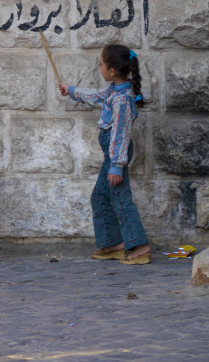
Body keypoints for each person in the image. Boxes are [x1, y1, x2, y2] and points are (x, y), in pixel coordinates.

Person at [59, 44, 151, 264]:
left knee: (121, 197)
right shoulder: (113, 91)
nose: (98, 67)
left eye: (100, 64)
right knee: (100, 196)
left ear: (111, 71)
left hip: (115, 155)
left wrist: (117, 165)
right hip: (112, 155)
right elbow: (95, 95)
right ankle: (112, 244)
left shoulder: (123, 100)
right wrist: (71, 90)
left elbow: (120, 133)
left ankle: (140, 246)